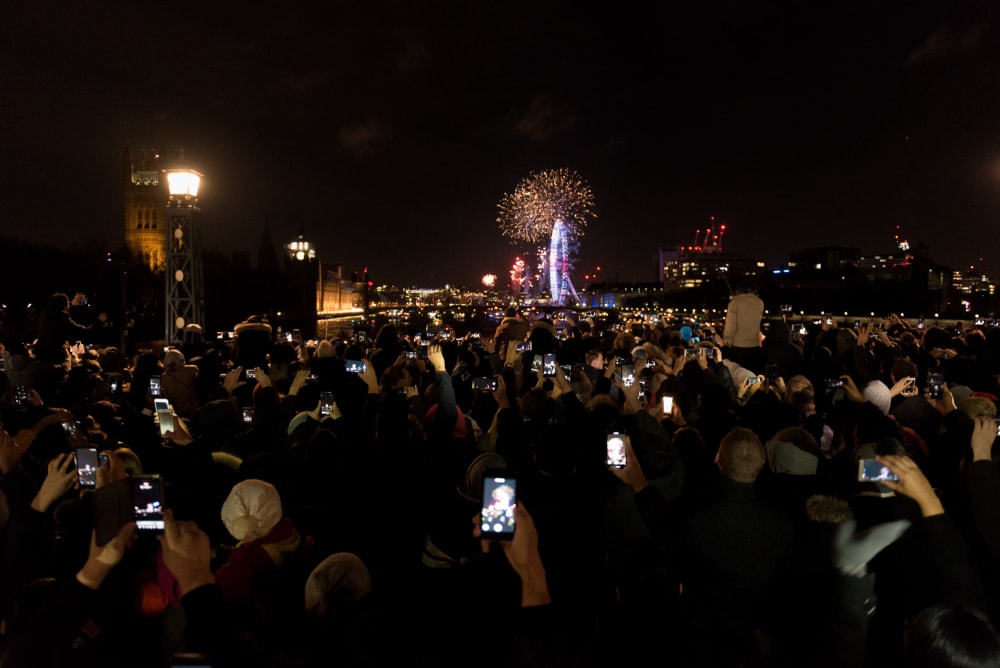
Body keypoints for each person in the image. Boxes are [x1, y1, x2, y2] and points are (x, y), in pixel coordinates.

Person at [722, 278, 765, 372]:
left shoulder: (734, 303)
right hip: (754, 345)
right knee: (752, 375)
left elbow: (730, 327)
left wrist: (726, 342)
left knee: (738, 375)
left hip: (738, 347)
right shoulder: (760, 302)